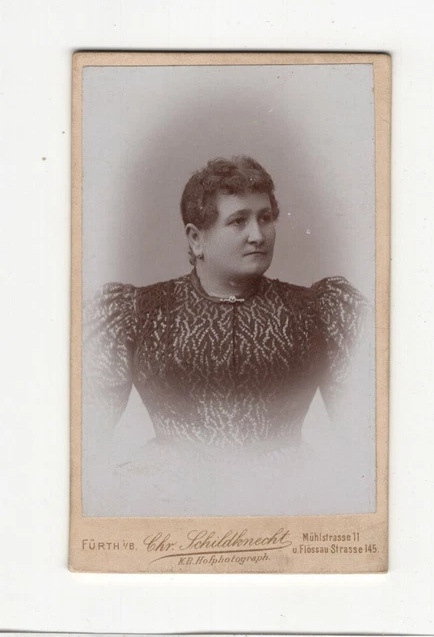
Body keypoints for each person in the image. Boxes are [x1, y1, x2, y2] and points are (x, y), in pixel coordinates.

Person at [82, 156, 370, 516]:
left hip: (287, 499)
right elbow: (81, 440)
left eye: (265, 218)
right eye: (238, 221)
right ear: (196, 238)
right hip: (167, 501)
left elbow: (367, 436)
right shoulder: (139, 311)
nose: (258, 235)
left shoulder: (318, 310)